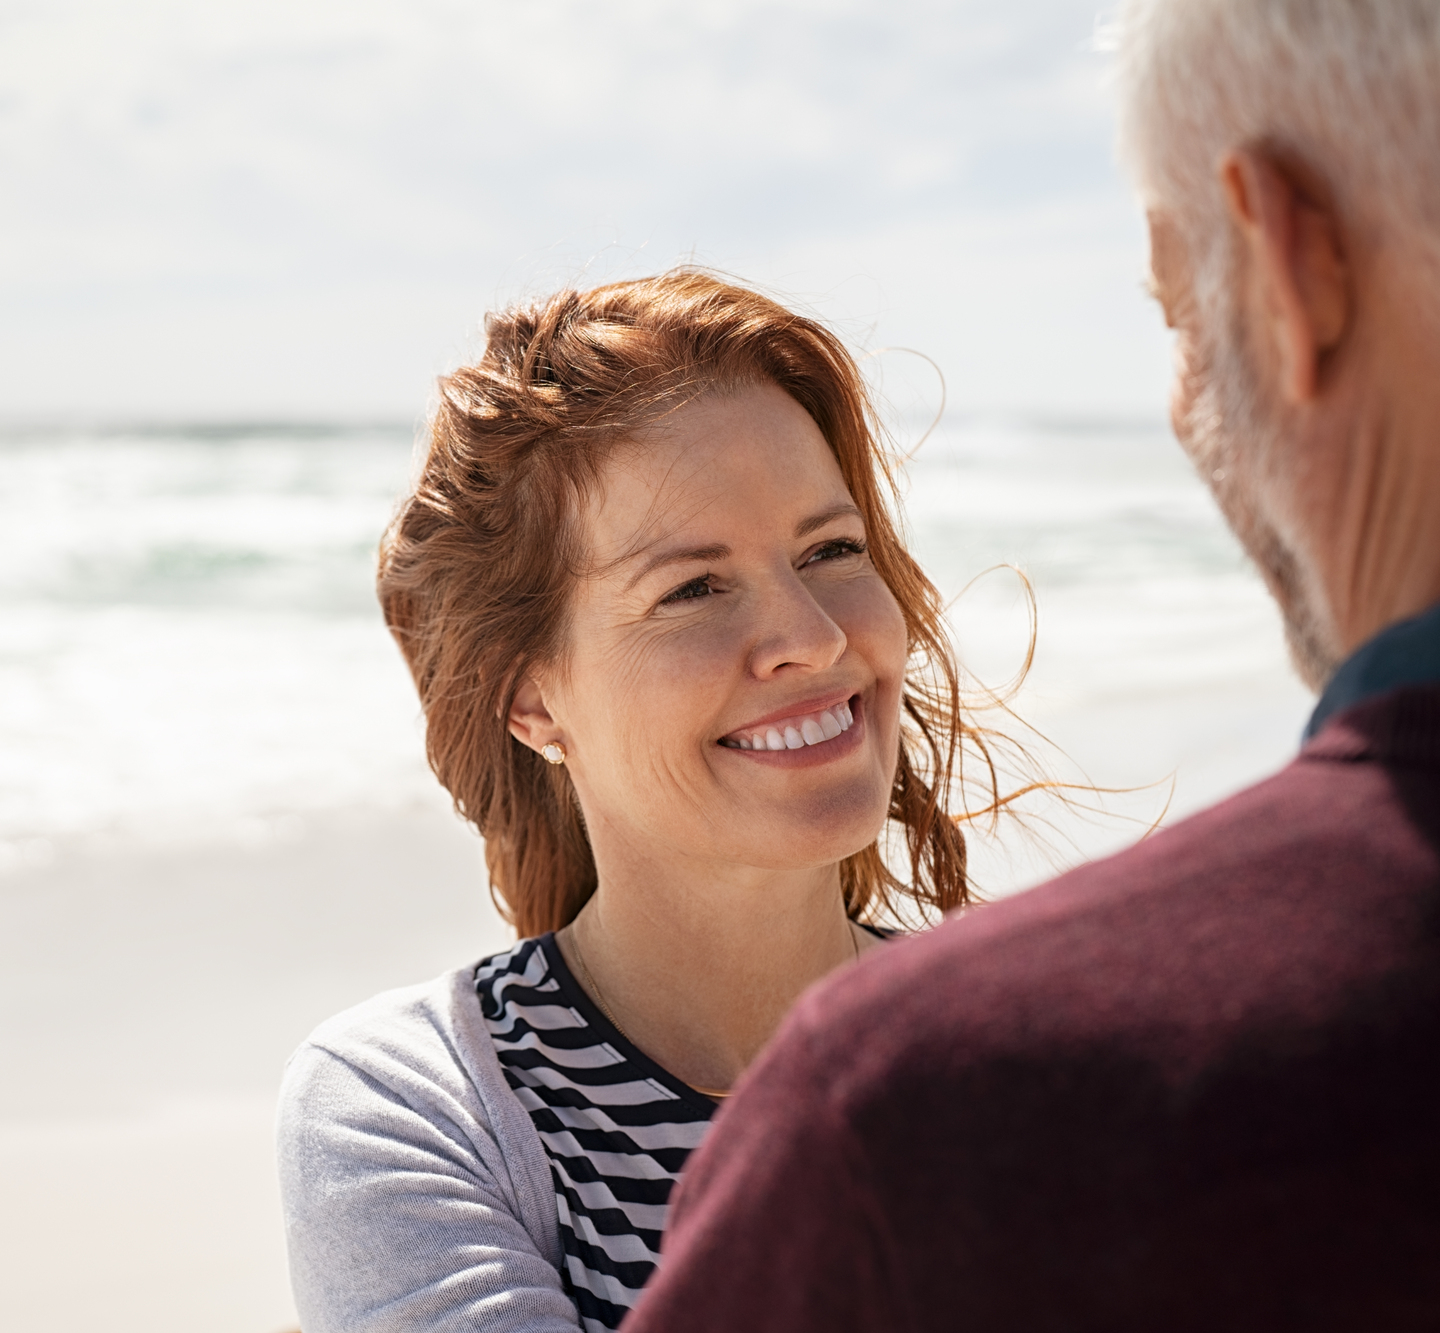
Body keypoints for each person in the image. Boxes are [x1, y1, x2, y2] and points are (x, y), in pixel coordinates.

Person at [623, 3, 1440, 1331]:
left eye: (1179, 314)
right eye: (693, 583)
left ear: (1294, 267)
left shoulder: (933, 1108)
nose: (809, 638)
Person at [276, 270, 1042, 1333]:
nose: (814, 638)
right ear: (529, 696)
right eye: (692, 587)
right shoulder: (417, 1103)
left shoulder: (1036, 1047)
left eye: (829, 550)